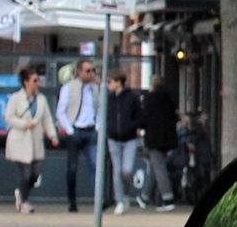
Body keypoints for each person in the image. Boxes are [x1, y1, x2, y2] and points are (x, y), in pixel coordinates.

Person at [3, 64, 57, 214]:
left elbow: (47, 119)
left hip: (36, 141)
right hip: (19, 141)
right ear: (26, 82)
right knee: (26, 173)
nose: (37, 83)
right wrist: (24, 124)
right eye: (34, 80)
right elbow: (8, 117)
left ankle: (21, 193)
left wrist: (52, 135)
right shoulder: (16, 98)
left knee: (35, 174)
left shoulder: (41, 99)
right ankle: (25, 202)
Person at [56, 59, 101, 212]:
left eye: (93, 70)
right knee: (72, 168)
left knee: (95, 165)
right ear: (79, 72)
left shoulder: (96, 88)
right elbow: (61, 111)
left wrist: (98, 126)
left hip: (91, 130)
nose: (91, 74)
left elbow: (100, 108)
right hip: (76, 130)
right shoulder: (68, 88)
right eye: (88, 71)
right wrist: (69, 129)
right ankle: (72, 201)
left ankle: (98, 200)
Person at [104, 69, 144, 215]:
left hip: (129, 138)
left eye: (110, 82)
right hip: (113, 137)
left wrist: (132, 126)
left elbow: (140, 116)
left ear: (118, 82)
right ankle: (119, 200)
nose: (108, 85)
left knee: (127, 170)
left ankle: (125, 194)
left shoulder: (132, 97)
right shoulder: (108, 98)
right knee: (117, 170)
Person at [140, 81, 179, 211]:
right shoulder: (169, 100)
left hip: (154, 138)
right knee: (155, 165)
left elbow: (144, 118)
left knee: (158, 167)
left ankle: (167, 198)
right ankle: (144, 196)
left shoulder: (149, 100)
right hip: (167, 139)